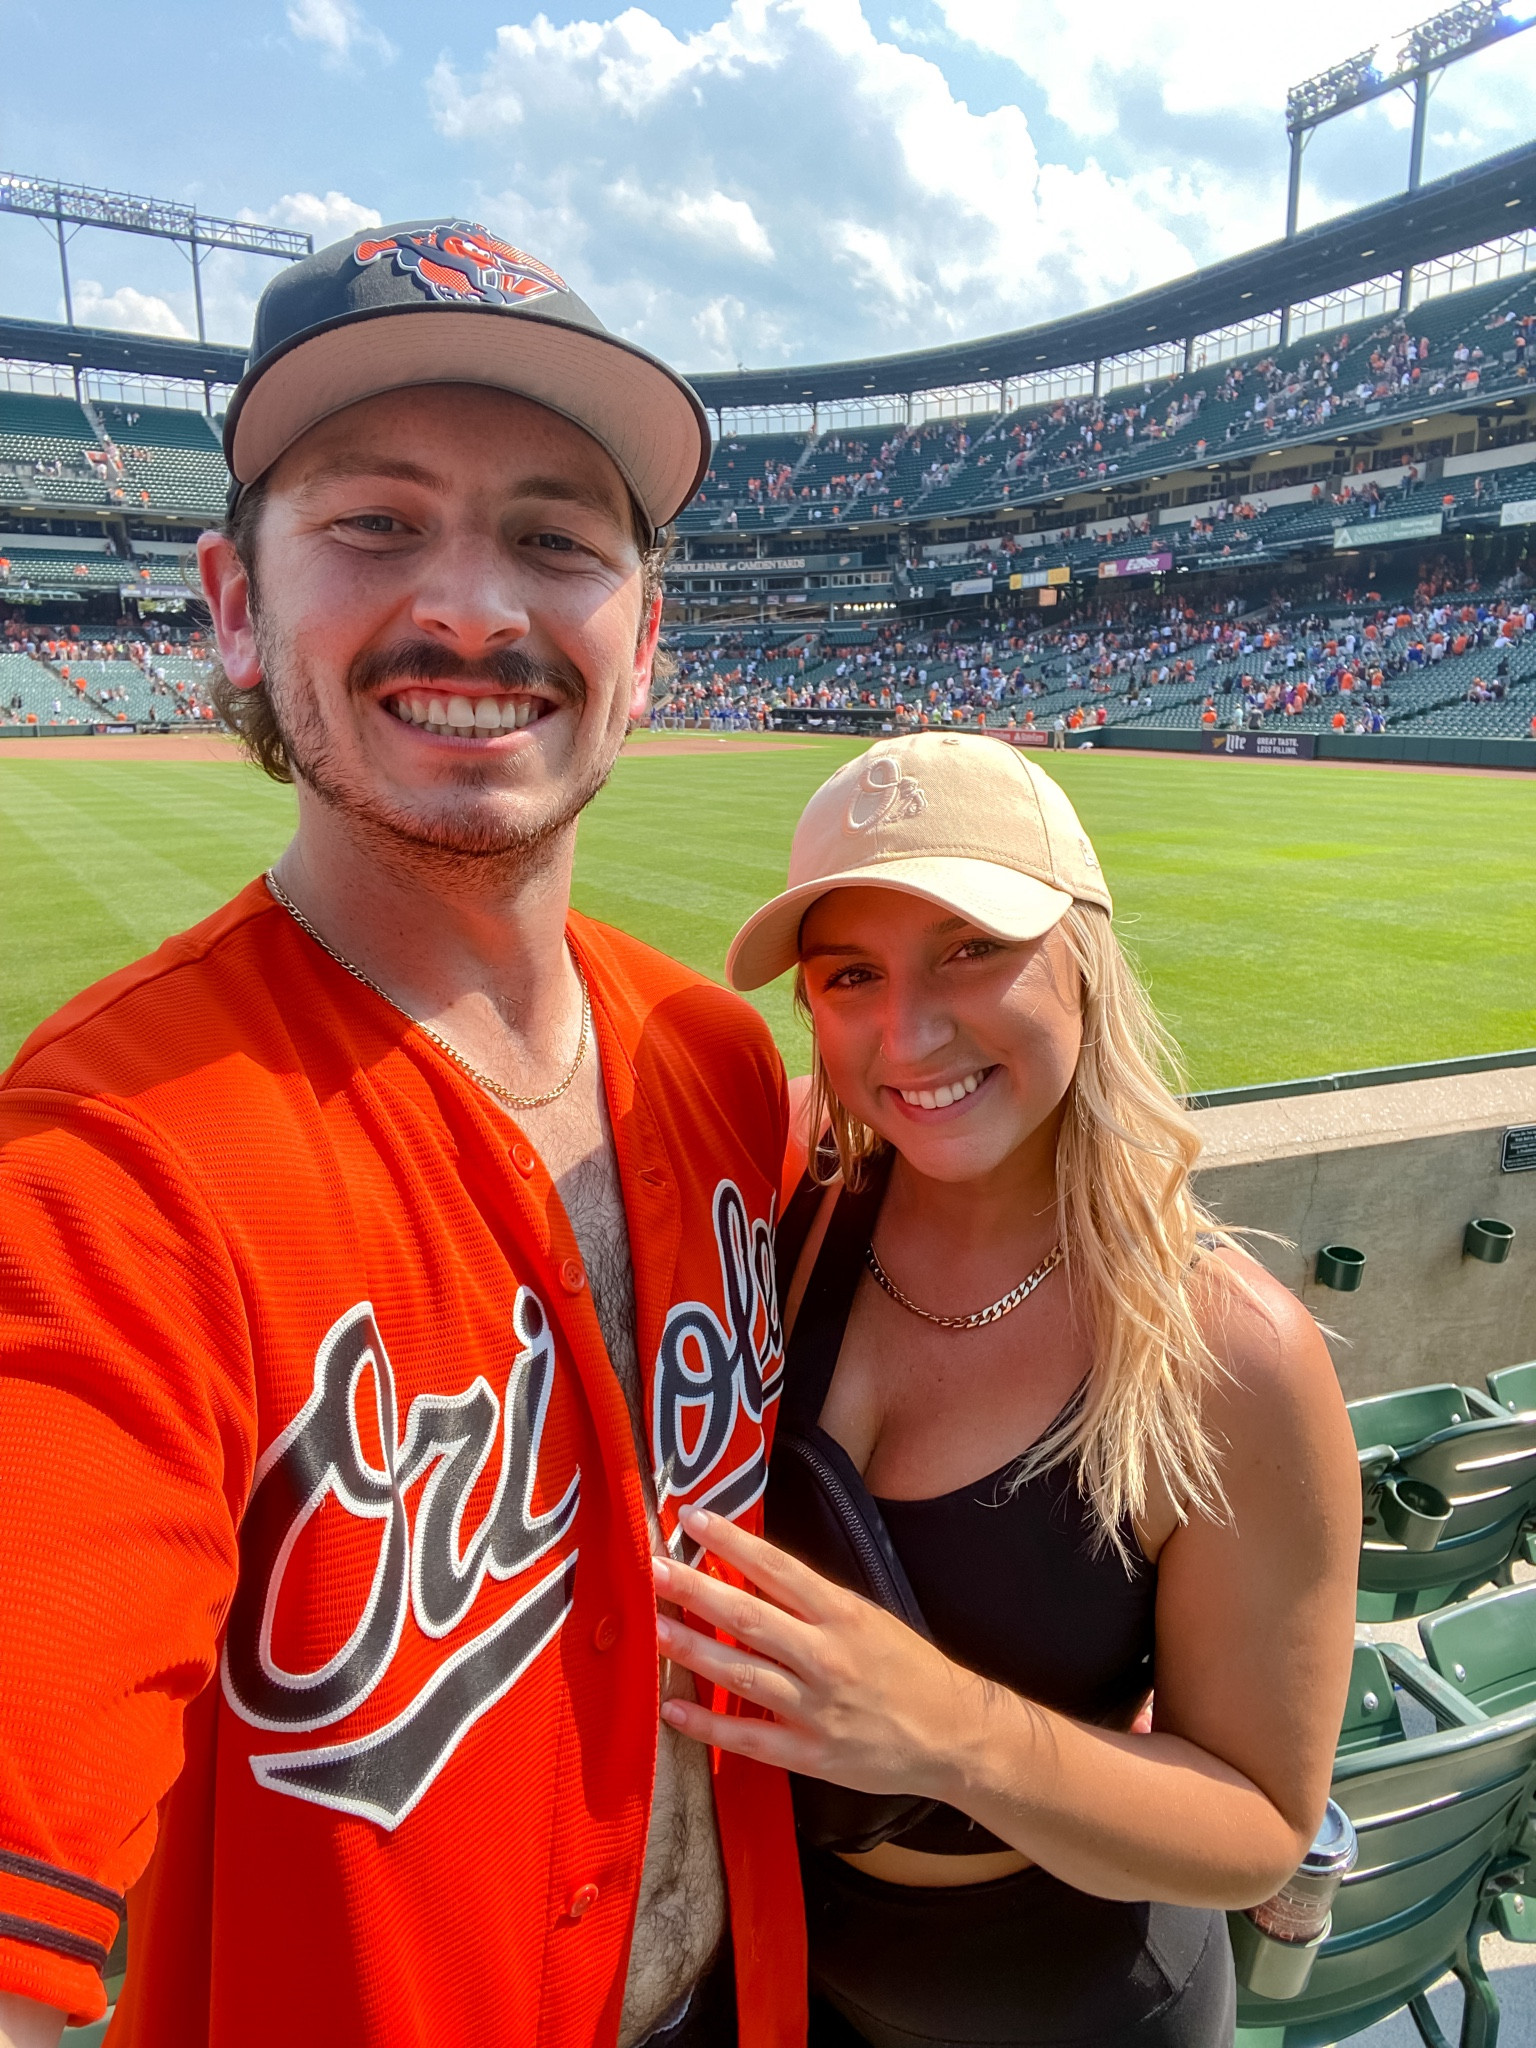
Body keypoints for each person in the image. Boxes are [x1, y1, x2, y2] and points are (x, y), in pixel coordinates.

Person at [0, 222, 803, 2048]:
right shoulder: (101, 1172)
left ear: (646, 638)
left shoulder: (720, 1061)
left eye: (554, 539)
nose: (472, 608)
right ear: (231, 602)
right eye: (373, 523)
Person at [650, 735, 1359, 2048]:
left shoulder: (1229, 1358)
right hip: (769, 1955)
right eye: (848, 975)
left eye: (971, 948)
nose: (907, 1032)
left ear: (1083, 955)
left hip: (1064, 2002)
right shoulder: (785, 1191)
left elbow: (1261, 1833)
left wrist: (947, 1731)